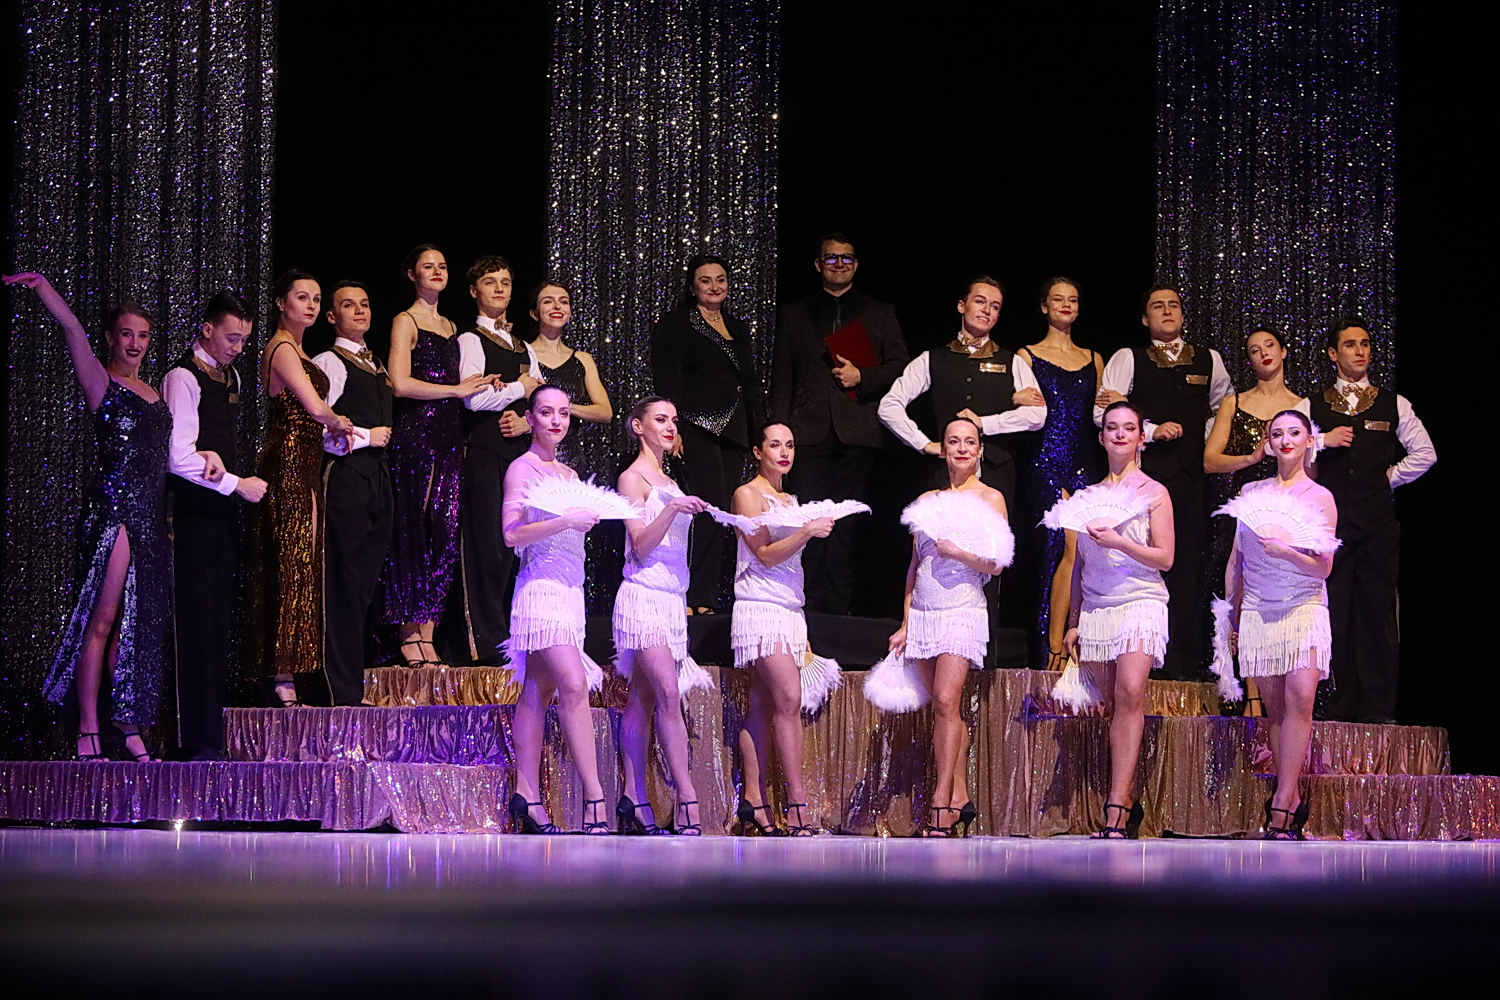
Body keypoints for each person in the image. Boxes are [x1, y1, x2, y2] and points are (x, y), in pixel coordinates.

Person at [6, 273, 184, 762]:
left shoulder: (153, 391)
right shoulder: (101, 381)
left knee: (137, 625)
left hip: (150, 516)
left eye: (142, 335)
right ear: (110, 337)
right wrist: (42, 287)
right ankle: (88, 728)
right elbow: (71, 331)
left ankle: (127, 725)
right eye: (126, 334)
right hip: (114, 512)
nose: (134, 343)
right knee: (102, 622)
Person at [879, 276, 1046, 665]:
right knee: (934, 560)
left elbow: (1037, 415)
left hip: (995, 472)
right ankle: (929, 647)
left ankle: (979, 659)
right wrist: (923, 443)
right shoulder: (932, 358)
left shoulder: (1012, 361)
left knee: (989, 560)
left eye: (995, 306)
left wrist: (985, 423)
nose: (987, 310)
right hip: (947, 476)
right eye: (980, 301)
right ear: (961, 305)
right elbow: (890, 405)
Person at [769, 233, 909, 613]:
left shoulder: (878, 312)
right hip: (807, 433)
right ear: (818, 264)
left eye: (846, 258)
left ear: (856, 264)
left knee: (845, 530)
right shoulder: (794, 314)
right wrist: (778, 433)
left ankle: (839, 616)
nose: (839, 264)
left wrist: (863, 376)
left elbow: (900, 366)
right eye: (831, 258)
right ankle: (809, 612)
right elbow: (782, 378)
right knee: (809, 524)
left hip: (857, 433)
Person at [1096, 284, 1230, 679]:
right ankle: (1136, 655)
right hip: (1147, 478)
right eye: (1158, 306)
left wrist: (1208, 442)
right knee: (1141, 562)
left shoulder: (1209, 359)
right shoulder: (1129, 358)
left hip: (1191, 479)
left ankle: (1180, 661)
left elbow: (1224, 407)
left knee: (1188, 564)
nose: (1167, 311)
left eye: (1174, 305)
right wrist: (1152, 431)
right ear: (1145, 318)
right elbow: (1103, 414)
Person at [1307, 317, 1435, 724]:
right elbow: (1284, 446)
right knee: (1336, 613)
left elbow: (1426, 453)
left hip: (1377, 526)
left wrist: (1388, 478)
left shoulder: (1393, 404)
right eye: (1350, 345)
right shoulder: (1312, 405)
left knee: (1378, 615)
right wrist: (1321, 440)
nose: (1360, 351)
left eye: (1364, 344)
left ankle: (1379, 708)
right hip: (1332, 528)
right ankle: (1340, 704)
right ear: (1333, 354)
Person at [886, 417, 1009, 837]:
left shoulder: (990, 498)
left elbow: (997, 564)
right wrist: (906, 622)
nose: (961, 448)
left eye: (969, 442)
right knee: (944, 709)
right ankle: (960, 798)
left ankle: (940, 802)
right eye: (953, 441)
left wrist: (959, 553)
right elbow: (914, 565)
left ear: (980, 450)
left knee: (944, 699)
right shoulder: (926, 501)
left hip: (962, 609)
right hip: (924, 612)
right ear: (943, 449)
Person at [162, 289, 268, 760]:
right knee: (195, 620)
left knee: (216, 620)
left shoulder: (230, 376)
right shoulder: (183, 377)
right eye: (231, 338)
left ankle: (210, 734)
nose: (238, 347)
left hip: (221, 512)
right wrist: (236, 483)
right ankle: (192, 738)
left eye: (243, 340)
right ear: (206, 329)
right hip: (192, 513)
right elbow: (179, 457)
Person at [1061, 401, 1176, 838]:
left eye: (1129, 428)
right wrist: (1074, 621)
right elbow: (1077, 566)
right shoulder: (1087, 499)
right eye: (1113, 428)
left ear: (1141, 438)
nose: (1121, 434)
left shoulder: (1154, 492)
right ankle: (1127, 797)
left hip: (1141, 600)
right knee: (1113, 703)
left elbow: (1165, 558)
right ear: (1102, 437)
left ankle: (1115, 807)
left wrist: (1120, 542)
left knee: (1130, 692)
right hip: (1097, 607)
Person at [1223, 410, 1337, 839]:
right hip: (1259, 608)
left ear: (1309, 440)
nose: (1285, 440)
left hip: (1304, 605)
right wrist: (1231, 614)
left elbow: (1323, 567)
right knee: (1276, 710)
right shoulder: (1251, 493)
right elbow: (1236, 560)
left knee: (1301, 698)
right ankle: (1291, 797)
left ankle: (1280, 805)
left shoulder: (1320, 497)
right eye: (1277, 434)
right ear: (1269, 443)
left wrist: (1288, 551)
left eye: (1294, 432)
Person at [501, 386, 610, 835]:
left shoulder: (569, 474)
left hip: (570, 593)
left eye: (563, 413)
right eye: (546, 412)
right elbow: (511, 534)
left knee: (536, 689)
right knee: (574, 683)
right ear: (530, 418)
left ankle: (526, 793)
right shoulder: (521, 468)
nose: (556, 421)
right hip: (541, 591)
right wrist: (566, 520)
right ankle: (595, 797)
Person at [384, 245, 495, 668]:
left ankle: (428, 629)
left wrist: (481, 385)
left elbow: (463, 385)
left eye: (442, 266)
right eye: (427, 266)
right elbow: (399, 383)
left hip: (450, 433)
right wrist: (455, 390)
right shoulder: (405, 320)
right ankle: (408, 631)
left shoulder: (451, 326)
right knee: (414, 527)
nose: (436, 271)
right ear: (411, 274)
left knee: (444, 530)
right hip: (418, 432)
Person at [250, 271, 354, 706]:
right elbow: (314, 406)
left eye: (315, 298)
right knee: (290, 563)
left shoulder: (299, 348)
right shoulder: (281, 347)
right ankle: (281, 674)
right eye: (302, 297)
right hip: (288, 462)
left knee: (304, 563)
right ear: (281, 303)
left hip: (307, 461)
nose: (310, 305)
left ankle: (295, 669)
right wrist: (342, 423)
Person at [729, 422, 837, 836]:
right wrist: (807, 530)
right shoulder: (747, 494)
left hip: (790, 609)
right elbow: (764, 555)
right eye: (775, 445)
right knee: (789, 697)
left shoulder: (790, 500)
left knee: (762, 702)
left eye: (790, 444)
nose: (784, 452)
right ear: (758, 452)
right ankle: (797, 804)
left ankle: (754, 802)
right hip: (760, 608)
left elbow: (790, 565)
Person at [613, 396, 712, 835]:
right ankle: (686, 796)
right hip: (643, 598)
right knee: (669, 694)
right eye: (660, 419)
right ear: (639, 426)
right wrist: (672, 508)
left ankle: (633, 796)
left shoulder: (670, 480)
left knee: (645, 697)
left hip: (672, 601)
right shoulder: (631, 479)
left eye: (673, 419)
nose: (670, 426)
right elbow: (639, 545)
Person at [1203, 326, 1309, 714]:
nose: (1263, 353)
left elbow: (1310, 464)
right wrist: (1252, 457)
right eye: (1253, 350)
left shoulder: (1301, 406)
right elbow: (1210, 460)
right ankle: (1246, 692)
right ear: (1247, 361)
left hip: (1284, 511)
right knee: (1239, 592)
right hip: (1242, 506)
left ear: (1283, 352)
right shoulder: (1235, 402)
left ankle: (1276, 692)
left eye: (1269, 346)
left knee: (1277, 595)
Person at [651, 254, 760, 614]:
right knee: (704, 507)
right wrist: (673, 427)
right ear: (692, 287)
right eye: (705, 280)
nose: (714, 286)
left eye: (720, 279)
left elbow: (749, 384)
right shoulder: (676, 323)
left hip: (734, 430)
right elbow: (667, 376)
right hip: (695, 426)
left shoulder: (737, 327)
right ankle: (689, 595)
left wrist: (757, 433)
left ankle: (705, 599)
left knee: (722, 513)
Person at [456, 256, 543, 663]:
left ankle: (515, 635)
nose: (499, 289)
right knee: (487, 546)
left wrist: (527, 422)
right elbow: (472, 398)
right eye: (490, 282)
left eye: (505, 282)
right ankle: (485, 644)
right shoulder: (470, 340)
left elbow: (540, 396)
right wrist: (517, 389)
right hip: (484, 452)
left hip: (519, 455)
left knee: (519, 544)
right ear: (475, 291)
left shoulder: (524, 347)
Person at [312, 281, 394, 706]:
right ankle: (336, 689)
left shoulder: (375, 363)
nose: (360, 310)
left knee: (362, 587)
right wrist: (365, 436)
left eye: (364, 303)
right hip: (346, 477)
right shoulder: (329, 361)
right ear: (332, 316)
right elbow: (316, 430)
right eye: (348, 305)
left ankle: (351, 684)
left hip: (376, 479)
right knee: (342, 583)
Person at [1016, 277, 1104, 668]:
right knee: (1058, 544)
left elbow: (1101, 412)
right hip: (1045, 461)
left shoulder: (1094, 358)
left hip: (1085, 463)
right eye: (1058, 299)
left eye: (1073, 299)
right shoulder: (1027, 355)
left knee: (1086, 548)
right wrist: (1015, 396)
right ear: (1044, 306)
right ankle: (1048, 652)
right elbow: (1017, 405)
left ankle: (1077, 651)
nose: (1066, 305)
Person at [528, 280, 611, 474]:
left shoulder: (582, 359)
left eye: (563, 301)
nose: (557, 306)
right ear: (534, 313)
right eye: (548, 301)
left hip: (572, 459)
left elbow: (605, 412)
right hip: (534, 457)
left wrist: (564, 407)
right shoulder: (523, 354)